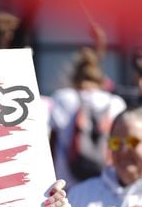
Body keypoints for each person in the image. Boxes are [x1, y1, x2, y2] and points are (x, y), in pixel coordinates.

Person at [49, 47, 126, 188]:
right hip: (105, 181)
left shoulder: (62, 98)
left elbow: (51, 142)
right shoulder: (115, 103)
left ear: (74, 77)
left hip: (66, 183)